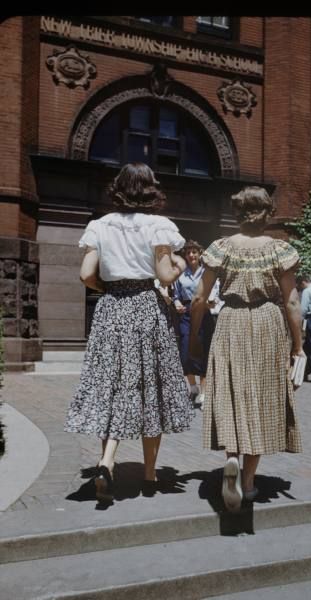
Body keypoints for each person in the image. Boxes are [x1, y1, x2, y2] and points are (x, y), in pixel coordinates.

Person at [64, 163, 194, 503]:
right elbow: (165, 276)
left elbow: (85, 274)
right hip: (145, 307)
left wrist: (106, 287)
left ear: (118, 189)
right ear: (151, 189)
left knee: (112, 384)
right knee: (152, 387)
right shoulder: (158, 226)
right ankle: (150, 474)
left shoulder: (100, 225)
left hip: (111, 307)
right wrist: (179, 265)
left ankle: (107, 460)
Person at [189, 186, 304, 512]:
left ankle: (231, 464)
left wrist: (195, 335)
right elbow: (292, 301)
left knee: (231, 395)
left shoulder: (221, 248)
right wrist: (298, 345)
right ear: (267, 214)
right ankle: (249, 482)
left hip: (231, 322)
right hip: (268, 322)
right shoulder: (280, 250)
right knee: (262, 400)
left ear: (238, 214)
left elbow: (199, 297)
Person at [173, 240, 215, 409]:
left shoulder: (207, 273)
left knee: (204, 351)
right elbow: (175, 294)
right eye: (188, 252)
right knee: (185, 350)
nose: (191, 255)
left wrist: (212, 301)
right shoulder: (180, 273)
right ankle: (193, 388)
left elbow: (214, 293)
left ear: (200, 254)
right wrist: (176, 303)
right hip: (186, 315)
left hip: (204, 313)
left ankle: (204, 393)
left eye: (194, 252)